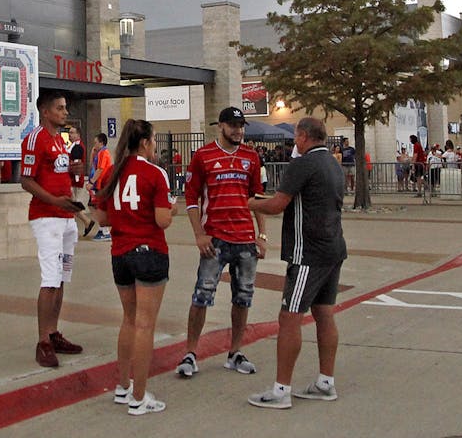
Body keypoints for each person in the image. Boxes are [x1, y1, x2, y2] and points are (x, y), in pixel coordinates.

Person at [246, 117, 346, 409]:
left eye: (296, 138)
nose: (294, 144)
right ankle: (325, 382)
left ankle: (281, 390)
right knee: (324, 313)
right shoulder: (333, 164)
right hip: (333, 248)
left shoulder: (303, 164)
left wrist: (249, 203)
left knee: (289, 317)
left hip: (308, 253)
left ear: (303, 136)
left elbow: (277, 204)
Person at [174, 106, 267, 381]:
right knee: (202, 295)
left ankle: (235, 352)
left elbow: (257, 198)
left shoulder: (251, 157)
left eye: (241, 126)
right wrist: (199, 235)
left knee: (243, 297)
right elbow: (191, 199)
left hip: (245, 240)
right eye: (233, 125)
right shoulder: (203, 156)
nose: (238, 130)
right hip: (214, 238)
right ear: (221, 127)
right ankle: (191, 353)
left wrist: (262, 235)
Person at [91, 119, 173, 416]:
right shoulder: (155, 173)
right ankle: (139, 396)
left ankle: (123, 386)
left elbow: (102, 218)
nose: (154, 146)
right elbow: (163, 220)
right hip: (149, 251)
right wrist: (170, 208)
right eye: (153, 140)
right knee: (144, 324)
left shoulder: (114, 171)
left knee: (128, 320)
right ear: (145, 142)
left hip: (120, 252)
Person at [19, 91, 87, 368]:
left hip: (66, 216)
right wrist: (53, 200)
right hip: (47, 217)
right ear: (45, 111)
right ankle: (42, 342)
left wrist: (74, 171)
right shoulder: (35, 139)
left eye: (65, 107)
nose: (64, 112)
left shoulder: (61, 141)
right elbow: (26, 180)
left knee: (60, 277)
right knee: (49, 278)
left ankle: (53, 331)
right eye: (59, 108)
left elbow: (59, 174)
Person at [69, 132, 96, 238]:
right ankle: (86, 221)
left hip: (74, 180)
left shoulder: (77, 147)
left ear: (78, 134)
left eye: (72, 132)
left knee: (72, 204)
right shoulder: (73, 146)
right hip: (73, 179)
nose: (70, 134)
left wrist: (76, 178)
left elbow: (77, 163)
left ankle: (86, 221)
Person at [88, 132, 114, 241]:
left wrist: (92, 182)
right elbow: (92, 166)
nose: (94, 145)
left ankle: (106, 231)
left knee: (100, 207)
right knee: (95, 206)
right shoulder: (98, 153)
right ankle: (102, 228)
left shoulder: (104, 153)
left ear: (101, 143)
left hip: (103, 184)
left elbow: (101, 169)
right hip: (99, 184)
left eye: (96, 143)